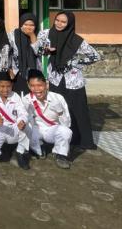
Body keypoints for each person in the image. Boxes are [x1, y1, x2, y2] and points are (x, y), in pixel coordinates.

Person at [37, 11, 102, 150]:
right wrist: (46, 51)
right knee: (58, 109)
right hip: (55, 78)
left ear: (70, 24)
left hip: (73, 80)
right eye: (57, 20)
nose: (59, 24)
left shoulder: (76, 40)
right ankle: (62, 137)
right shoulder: (45, 34)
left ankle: (84, 141)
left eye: (63, 22)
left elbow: (95, 56)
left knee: (78, 110)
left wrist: (74, 62)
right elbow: (38, 50)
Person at [24, 69, 73, 169]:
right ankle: (38, 147)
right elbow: (25, 123)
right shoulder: (26, 99)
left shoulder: (58, 98)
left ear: (46, 84)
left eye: (40, 85)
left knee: (66, 131)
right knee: (28, 130)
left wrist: (60, 112)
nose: (37, 89)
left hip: (52, 129)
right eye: (32, 86)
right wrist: (26, 112)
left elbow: (67, 124)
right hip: (36, 129)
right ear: (28, 86)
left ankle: (60, 154)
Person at [0, 71, 31, 170]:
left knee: (28, 125)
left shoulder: (15, 96)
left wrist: (22, 121)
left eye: (8, 86)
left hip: (13, 129)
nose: (5, 89)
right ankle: (3, 149)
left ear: (12, 85)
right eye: (2, 86)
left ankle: (20, 152)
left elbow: (23, 113)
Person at [9, 13, 40, 96]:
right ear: (21, 24)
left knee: (32, 97)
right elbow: (7, 52)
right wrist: (9, 68)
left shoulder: (39, 35)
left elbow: (38, 52)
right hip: (16, 72)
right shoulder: (12, 35)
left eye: (32, 25)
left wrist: (32, 35)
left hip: (34, 71)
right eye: (25, 24)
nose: (28, 27)